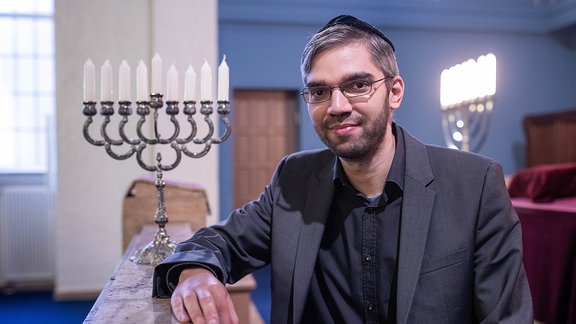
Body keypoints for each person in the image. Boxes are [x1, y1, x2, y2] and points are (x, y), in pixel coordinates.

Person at [153, 14, 533, 323]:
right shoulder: (294, 179)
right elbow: (220, 241)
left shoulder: (474, 184)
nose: (336, 105)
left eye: (357, 85)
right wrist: (195, 272)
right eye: (319, 91)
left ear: (394, 91)